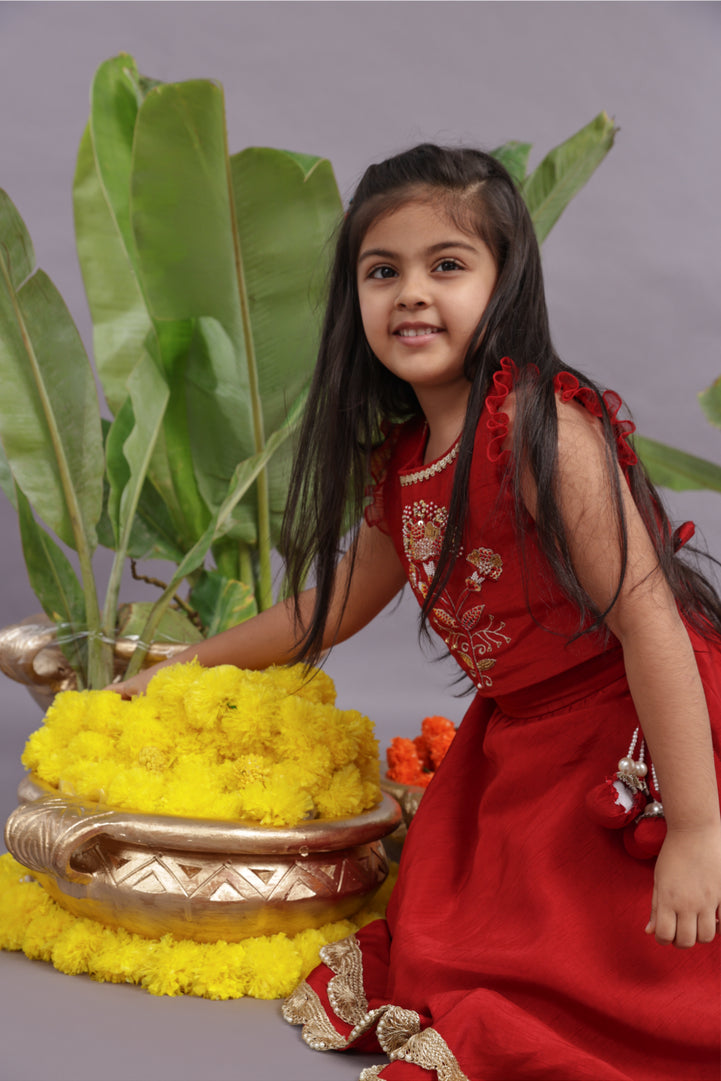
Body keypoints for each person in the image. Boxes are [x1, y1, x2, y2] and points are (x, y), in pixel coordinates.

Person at [112, 145, 721, 1081]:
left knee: (621, 981)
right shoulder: (403, 460)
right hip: (520, 743)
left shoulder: (539, 432)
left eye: (446, 265)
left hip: (636, 729)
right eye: (380, 271)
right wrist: (187, 665)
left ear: (503, 282)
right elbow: (329, 605)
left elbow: (649, 626)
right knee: (448, 950)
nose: (410, 294)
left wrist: (693, 830)